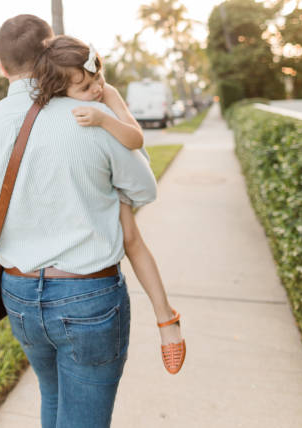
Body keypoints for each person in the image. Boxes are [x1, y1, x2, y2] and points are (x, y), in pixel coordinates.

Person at [0, 14, 157, 428]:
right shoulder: (87, 114)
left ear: (1, 67)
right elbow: (144, 190)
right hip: (87, 295)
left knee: (51, 396)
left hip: (16, 292)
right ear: (50, 51)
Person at [32, 35, 186, 376]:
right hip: (98, 179)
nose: (95, 89)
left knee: (132, 241)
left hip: (121, 170)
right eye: (85, 86)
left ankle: (166, 316)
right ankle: (166, 315)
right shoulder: (53, 111)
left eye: (96, 78)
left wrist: (103, 118)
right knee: (130, 240)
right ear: (59, 92)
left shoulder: (107, 96)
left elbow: (136, 137)